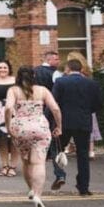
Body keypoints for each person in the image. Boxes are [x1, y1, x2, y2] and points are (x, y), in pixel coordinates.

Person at [5, 66, 63, 207]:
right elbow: (55, 108)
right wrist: (59, 126)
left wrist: (8, 125)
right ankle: (38, 194)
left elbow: (7, 108)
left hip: (20, 128)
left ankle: (31, 189)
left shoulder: (13, 90)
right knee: (38, 163)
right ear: (34, 75)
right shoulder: (42, 90)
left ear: (18, 76)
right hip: (40, 128)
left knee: (26, 161)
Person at [53, 58, 104, 196]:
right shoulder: (92, 83)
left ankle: (60, 175)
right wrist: (86, 112)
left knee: (57, 150)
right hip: (83, 122)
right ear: (81, 69)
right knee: (83, 155)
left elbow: (54, 103)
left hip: (64, 122)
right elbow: (98, 104)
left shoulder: (60, 82)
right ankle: (83, 186)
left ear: (68, 69)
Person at [33, 51, 67, 190]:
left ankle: (41, 169)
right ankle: (59, 173)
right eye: (56, 58)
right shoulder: (56, 74)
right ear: (49, 59)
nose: (58, 61)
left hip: (38, 108)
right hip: (52, 108)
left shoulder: (35, 71)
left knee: (42, 142)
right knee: (54, 143)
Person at [66, 51, 102, 158]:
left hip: (74, 105)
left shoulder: (69, 75)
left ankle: (71, 146)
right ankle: (91, 151)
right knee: (89, 127)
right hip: (87, 105)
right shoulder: (88, 72)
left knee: (72, 126)